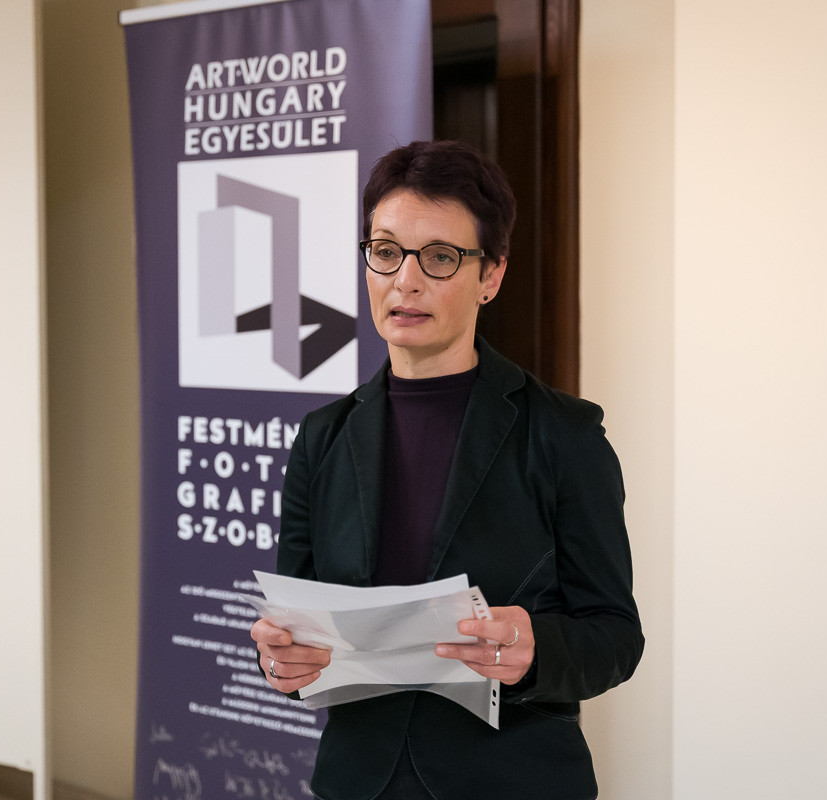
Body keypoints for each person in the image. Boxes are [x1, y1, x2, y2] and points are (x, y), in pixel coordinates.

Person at [251, 140, 643, 800]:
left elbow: (614, 636)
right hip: (358, 780)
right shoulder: (323, 437)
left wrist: (537, 649)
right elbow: (298, 620)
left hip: (512, 780)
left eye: (439, 257)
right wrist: (281, 659)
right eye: (385, 251)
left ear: (491, 275)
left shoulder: (564, 435)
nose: (405, 281)